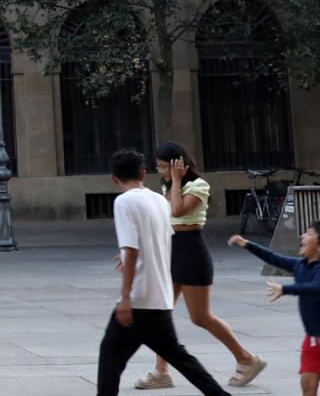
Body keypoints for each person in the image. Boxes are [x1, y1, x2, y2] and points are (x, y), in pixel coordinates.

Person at [94, 148, 227, 396]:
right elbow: (159, 242)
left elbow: (132, 249)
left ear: (114, 178)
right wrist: (126, 256)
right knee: (180, 357)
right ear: (143, 173)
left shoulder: (123, 202)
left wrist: (125, 297)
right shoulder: (158, 199)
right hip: (160, 297)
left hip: (138, 299)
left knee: (110, 358)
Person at [136, 142, 264, 389]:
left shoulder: (198, 185)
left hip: (191, 250)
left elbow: (178, 210)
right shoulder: (167, 185)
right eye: (159, 167)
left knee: (200, 317)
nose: (161, 172)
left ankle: (246, 358)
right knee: (159, 313)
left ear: (178, 164)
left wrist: (174, 181)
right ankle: (161, 372)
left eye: (164, 166)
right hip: (171, 248)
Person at [227, 222, 320, 395]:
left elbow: (319, 288)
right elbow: (273, 257)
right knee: (308, 387)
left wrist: (286, 289)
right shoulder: (301, 264)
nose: (302, 236)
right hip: (312, 339)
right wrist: (247, 244)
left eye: (309, 234)